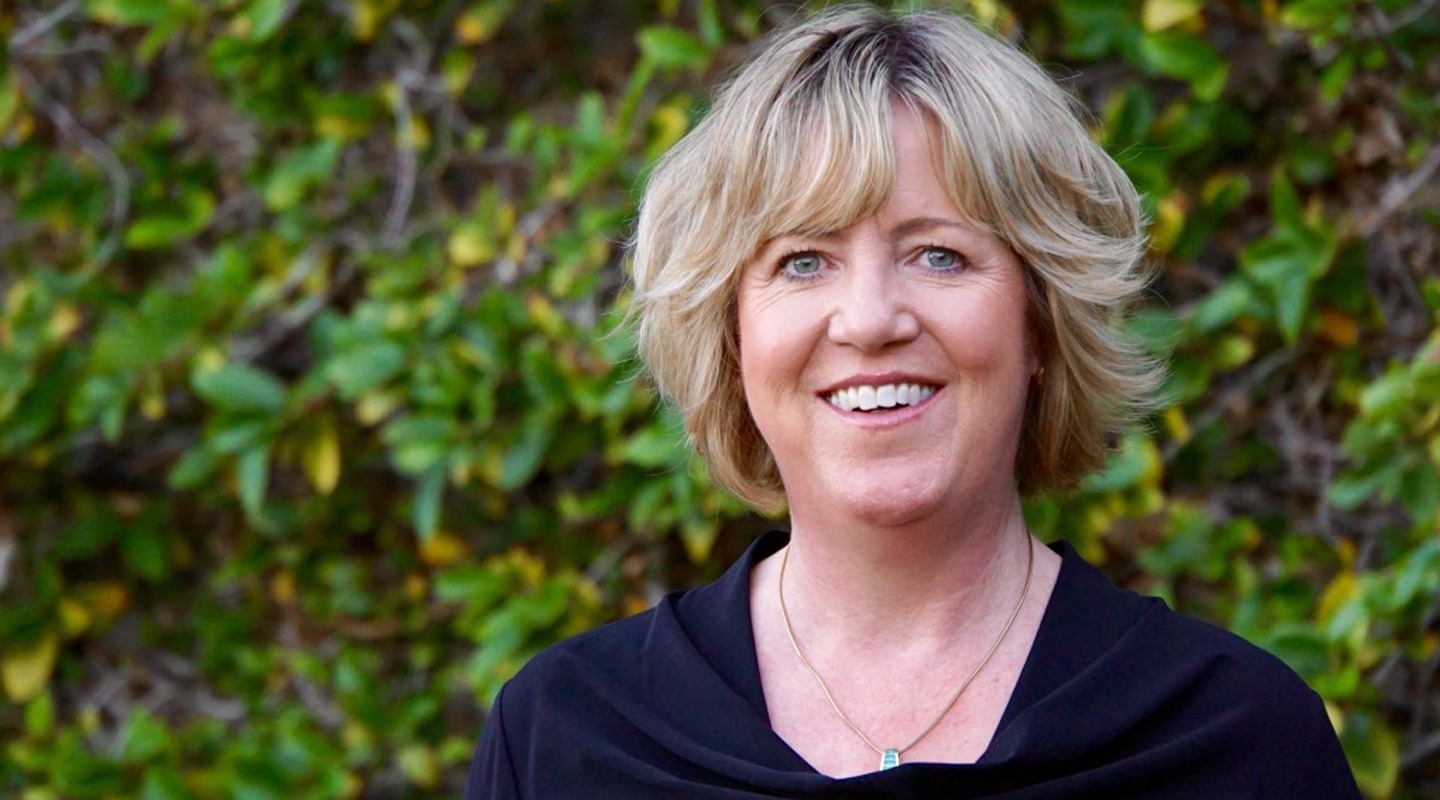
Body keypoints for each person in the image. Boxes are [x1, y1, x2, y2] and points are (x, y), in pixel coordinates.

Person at [464, 6, 1361, 798]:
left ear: (1042, 322)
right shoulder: (563, 737)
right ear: (734, 341)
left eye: (939, 255)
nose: (869, 320)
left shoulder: (1239, 740)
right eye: (803, 261)